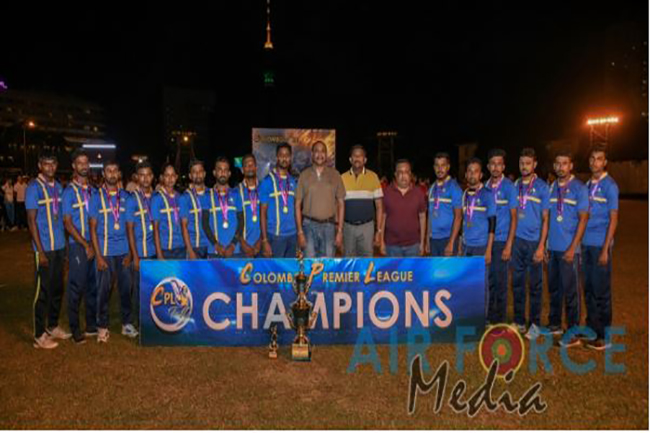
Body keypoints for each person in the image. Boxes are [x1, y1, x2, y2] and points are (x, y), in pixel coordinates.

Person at [89, 161, 136, 343]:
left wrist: (131, 254)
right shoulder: (96, 197)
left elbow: (130, 228)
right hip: (105, 253)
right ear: (103, 173)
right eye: (108, 171)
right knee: (103, 291)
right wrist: (99, 256)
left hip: (124, 252)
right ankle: (102, 326)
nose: (112, 173)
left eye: (115, 170)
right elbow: (92, 228)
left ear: (119, 173)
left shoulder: (127, 197)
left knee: (126, 289)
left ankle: (126, 323)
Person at [26, 153, 69, 349]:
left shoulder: (58, 187)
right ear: (39, 165)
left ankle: (52, 325)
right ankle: (39, 334)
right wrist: (40, 251)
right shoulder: (33, 188)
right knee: (42, 292)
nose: (50, 167)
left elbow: (59, 218)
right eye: (46, 164)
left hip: (59, 246)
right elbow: (31, 220)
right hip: (44, 249)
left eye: (53, 164)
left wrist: (65, 247)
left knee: (57, 289)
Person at [547, 151, 589, 347]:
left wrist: (573, 247)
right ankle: (555, 324)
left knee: (571, 292)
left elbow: (583, 219)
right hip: (553, 249)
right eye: (558, 163)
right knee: (554, 289)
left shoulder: (579, 188)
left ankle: (573, 332)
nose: (561, 167)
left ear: (571, 166)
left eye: (565, 163)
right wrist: (546, 244)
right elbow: (547, 219)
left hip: (569, 250)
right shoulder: (552, 187)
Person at [582, 145, 619, 350]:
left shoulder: (610, 186)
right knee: (588, 289)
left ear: (605, 162)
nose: (595, 162)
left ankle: (604, 335)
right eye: (592, 158)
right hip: (585, 244)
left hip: (599, 246)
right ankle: (592, 328)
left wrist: (606, 248)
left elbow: (614, 219)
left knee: (601, 291)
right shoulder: (587, 185)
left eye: (599, 159)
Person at [511, 148, 550, 340]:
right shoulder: (515, 185)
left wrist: (542, 245)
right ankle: (519, 320)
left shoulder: (543, 187)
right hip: (517, 241)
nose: (524, 166)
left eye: (527, 163)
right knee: (517, 283)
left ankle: (534, 324)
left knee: (535, 286)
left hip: (534, 242)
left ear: (534, 164)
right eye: (521, 163)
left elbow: (546, 219)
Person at [62, 149, 97, 344]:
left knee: (93, 286)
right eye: (80, 163)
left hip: (94, 245)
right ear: (74, 166)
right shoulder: (68, 192)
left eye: (86, 162)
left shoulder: (93, 190)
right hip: (78, 246)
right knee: (77, 287)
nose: (84, 166)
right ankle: (75, 329)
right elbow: (67, 223)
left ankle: (91, 325)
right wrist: (85, 245)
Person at [295, 141, 345, 258]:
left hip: (329, 227)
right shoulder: (304, 175)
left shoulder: (335, 175)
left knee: (327, 267)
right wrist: (300, 231)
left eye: (323, 151)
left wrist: (340, 231)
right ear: (312, 154)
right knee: (309, 266)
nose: (320, 154)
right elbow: (297, 205)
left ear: (326, 155)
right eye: (316, 151)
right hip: (308, 226)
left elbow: (341, 204)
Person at [485, 149, 518, 326]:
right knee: (488, 281)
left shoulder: (509, 187)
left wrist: (508, 245)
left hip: (502, 241)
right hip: (487, 241)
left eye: (499, 163)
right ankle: (490, 317)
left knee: (501, 283)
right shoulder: (485, 187)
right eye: (493, 163)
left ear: (503, 166)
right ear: (488, 166)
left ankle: (501, 320)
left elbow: (514, 217)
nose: (496, 167)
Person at [461, 158, 496, 320]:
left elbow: (492, 224)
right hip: (467, 245)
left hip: (481, 246)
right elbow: (463, 220)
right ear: (466, 174)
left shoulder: (488, 195)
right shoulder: (465, 194)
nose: (472, 174)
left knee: (482, 285)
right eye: (469, 171)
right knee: (468, 283)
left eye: (475, 171)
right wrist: (462, 244)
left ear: (481, 174)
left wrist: (489, 249)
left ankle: (484, 318)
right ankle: (471, 315)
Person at [126, 161, 157, 332]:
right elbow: (129, 229)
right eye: (142, 175)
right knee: (137, 290)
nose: (145, 178)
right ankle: (133, 322)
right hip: (139, 252)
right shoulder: (132, 199)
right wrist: (135, 255)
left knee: (151, 289)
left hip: (152, 251)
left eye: (148, 175)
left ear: (152, 177)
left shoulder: (156, 197)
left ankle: (148, 320)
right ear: (137, 177)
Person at [341, 145, 383, 257]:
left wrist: (378, 231)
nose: (357, 158)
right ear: (350, 159)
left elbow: (379, 207)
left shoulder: (373, 177)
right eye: (355, 155)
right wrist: (339, 230)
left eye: (360, 156)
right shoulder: (342, 178)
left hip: (367, 227)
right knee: (349, 263)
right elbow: (338, 206)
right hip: (348, 227)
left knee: (367, 263)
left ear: (365, 160)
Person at [380, 159, 427, 257]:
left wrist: (422, 242)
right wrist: (381, 241)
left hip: (413, 245)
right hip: (392, 245)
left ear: (410, 174)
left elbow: (422, 217)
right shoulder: (386, 193)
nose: (403, 176)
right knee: (394, 272)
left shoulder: (418, 193)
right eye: (400, 172)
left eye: (406, 172)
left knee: (413, 272)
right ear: (395, 174)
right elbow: (383, 218)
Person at [259, 144, 298, 258]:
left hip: (292, 236)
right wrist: (265, 240)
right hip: (275, 237)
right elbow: (262, 213)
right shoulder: (267, 181)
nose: (284, 158)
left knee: (290, 273)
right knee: (276, 274)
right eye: (281, 155)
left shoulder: (293, 181)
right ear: (277, 157)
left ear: (290, 158)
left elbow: (296, 209)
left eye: (287, 155)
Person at [426, 152, 462, 257]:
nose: (439, 169)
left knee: (449, 273)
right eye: (437, 165)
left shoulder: (454, 188)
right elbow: (430, 215)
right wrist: (428, 238)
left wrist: (451, 242)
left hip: (448, 239)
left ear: (448, 167)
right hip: (434, 239)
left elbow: (458, 217)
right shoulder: (432, 187)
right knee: (435, 272)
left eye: (443, 165)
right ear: (434, 167)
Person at [202, 157, 239, 258]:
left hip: (235, 251)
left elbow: (241, 222)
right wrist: (216, 245)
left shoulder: (236, 194)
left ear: (229, 173)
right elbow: (205, 223)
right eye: (219, 169)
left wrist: (233, 245)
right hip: (214, 251)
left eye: (225, 170)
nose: (222, 173)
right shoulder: (207, 195)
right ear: (214, 172)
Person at [152, 164, 185, 259]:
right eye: (167, 175)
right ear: (162, 177)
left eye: (172, 175)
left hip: (181, 248)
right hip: (165, 249)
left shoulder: (180, 197)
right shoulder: (157, 199)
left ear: (176, 177)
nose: (170, 178)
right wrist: (159, 253)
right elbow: (156, 228)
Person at [234, 154, 262, 258]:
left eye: (252, 164)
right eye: (246, 165)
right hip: (243, 247)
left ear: (256, 167)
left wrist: (260, 242)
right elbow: (234, 222)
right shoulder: (236, 192)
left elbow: (269, 218)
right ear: (242, 170)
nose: (250, 167)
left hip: (262, 245)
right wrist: (243, 243)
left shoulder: (264, 188)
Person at [181, 159, 210, 259]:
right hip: (195, 247)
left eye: (200, 171)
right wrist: (190, 251)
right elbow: (184, 226)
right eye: (194, 172)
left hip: (211, 247)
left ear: (204, 174)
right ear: (190, 175)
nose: (198, 174)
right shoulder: (185, 197)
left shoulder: (212, 194)